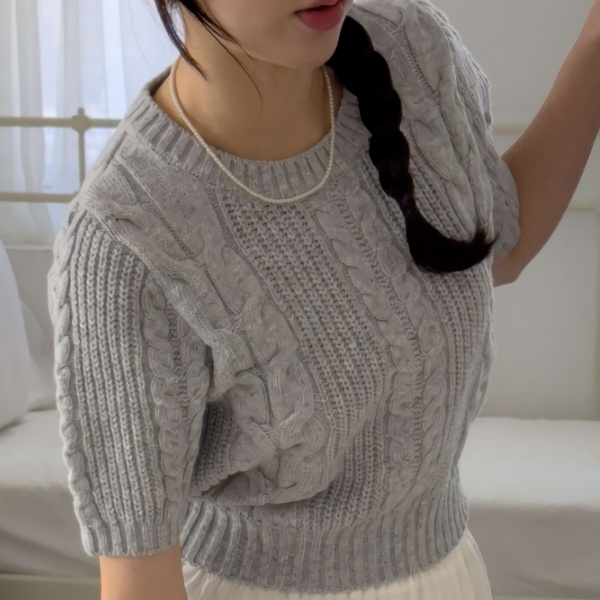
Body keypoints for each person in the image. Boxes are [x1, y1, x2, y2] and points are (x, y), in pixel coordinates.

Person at [47, 0, 600, 598]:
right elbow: (139, 584)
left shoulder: (410, 47)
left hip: (452, 574)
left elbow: (495, 245)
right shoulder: (124, 238)